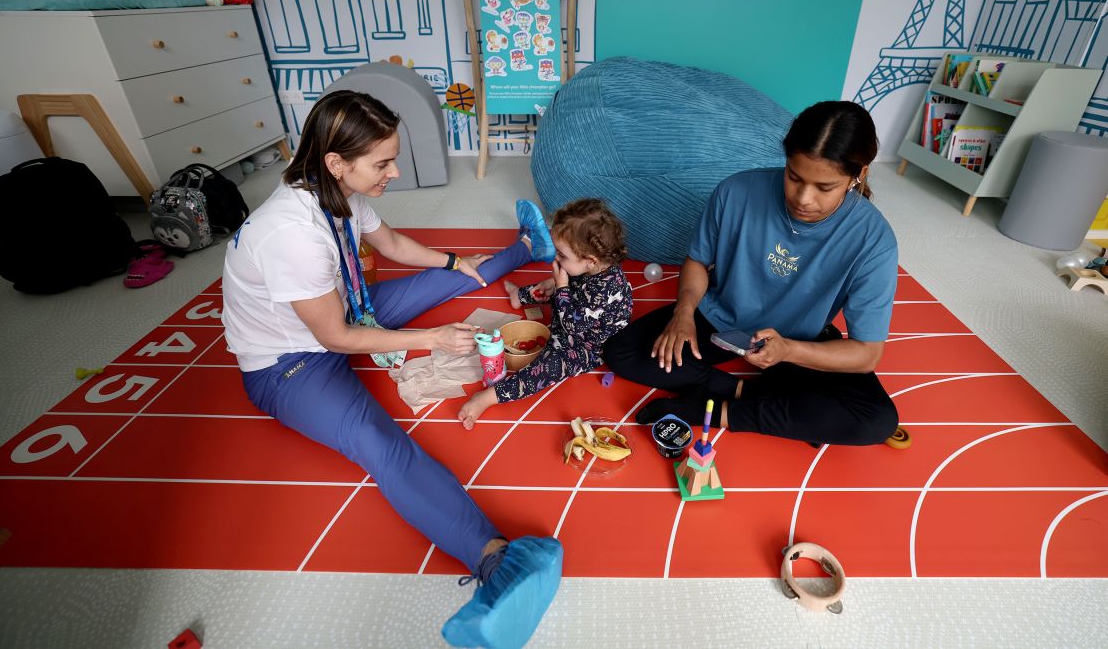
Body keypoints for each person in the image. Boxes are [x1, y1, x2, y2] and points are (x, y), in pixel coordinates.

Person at [221, 90, 563, 647]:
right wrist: (432, 337)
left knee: (448, 276)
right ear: (336, 161)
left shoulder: (333, 189)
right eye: (382, 163)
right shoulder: (294, 236)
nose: (395, 171)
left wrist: (454, 262)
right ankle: (493, 558)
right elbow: (334, 337)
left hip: (344, 309)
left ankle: (529, 245)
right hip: (289, 366)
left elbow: (394, 242)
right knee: (382, 446)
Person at [605, 100, 900, 447]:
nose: (804, 198)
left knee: (876, 420)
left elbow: (867, 352)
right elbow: (698, 261)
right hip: (720, 320)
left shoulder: (874, 239)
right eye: (794, 176)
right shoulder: (736, 192)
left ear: (858, 174)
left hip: (799, 340)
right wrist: (683, 314)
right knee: (622, 352)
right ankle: (738, 388)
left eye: (825, 188)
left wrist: (788, 350)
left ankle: (716, 411)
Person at [458, 198, 633, 428]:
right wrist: (558, 285)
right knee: (549, 286)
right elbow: (575, 286)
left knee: (548, 367)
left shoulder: (606, 288)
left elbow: (572, 325)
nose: (555, 258)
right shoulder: (593, 266)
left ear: (590, 261)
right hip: (574, 312)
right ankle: (519, 296)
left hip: (588, 346)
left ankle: (489, 397)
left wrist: (562, 288)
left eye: (562, 255)